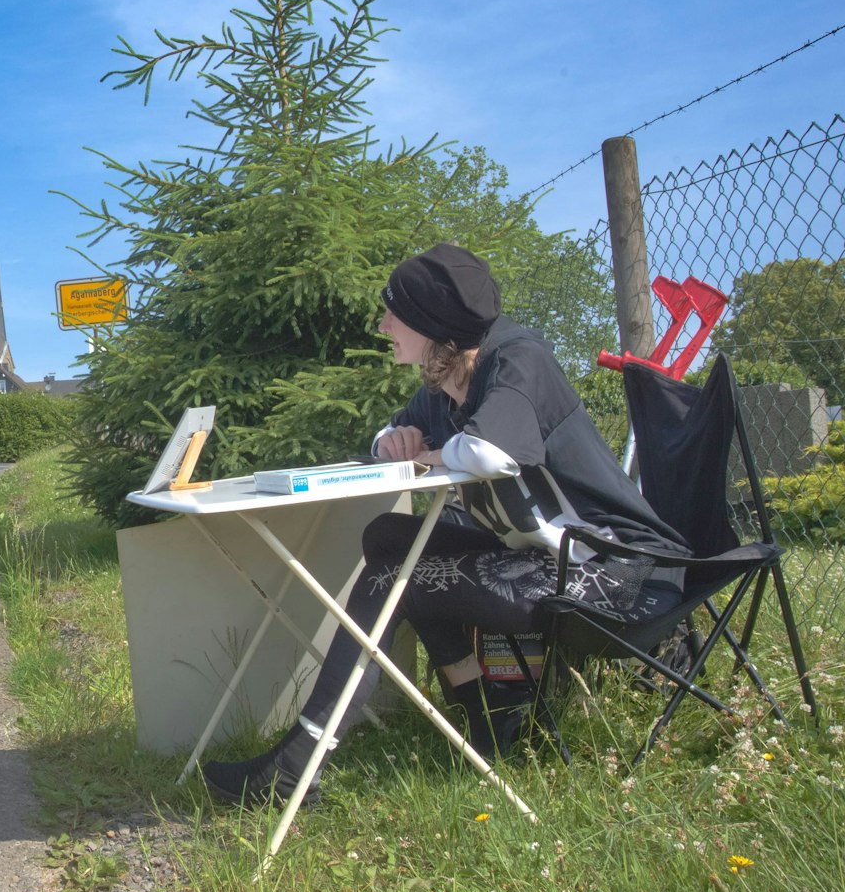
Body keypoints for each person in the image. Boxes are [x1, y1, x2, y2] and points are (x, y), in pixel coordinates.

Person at [201, 243, 687, 805]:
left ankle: (296, 765)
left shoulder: (517, 359)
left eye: (394, 313)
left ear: (434, 327)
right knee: (389, 539)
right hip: (551, 559)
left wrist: (432, 455)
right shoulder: (450, 378)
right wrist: (395, 441)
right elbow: (389, 433)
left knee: (393, 578)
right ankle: (488, 716)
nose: (383, 325)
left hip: (618, 574)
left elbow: (489, 452)